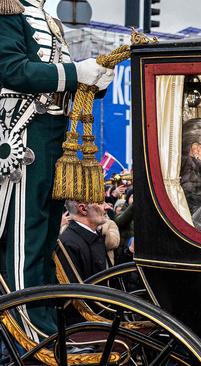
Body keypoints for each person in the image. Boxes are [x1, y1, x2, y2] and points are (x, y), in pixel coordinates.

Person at [0, 0, 113, 336]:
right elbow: (12, 69)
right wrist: (77, 73)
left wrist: (94, 80)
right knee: (27, 236)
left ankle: (45, 319)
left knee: (48, 236)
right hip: (25, 133)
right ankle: (26, 325)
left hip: (54, 135)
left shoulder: (49, 20)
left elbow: (60, 81)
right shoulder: (7, 10)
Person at [58, 201, 110, 281]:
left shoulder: (96, 235)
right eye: (100, 203)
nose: (107, 207)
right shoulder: (68, 243)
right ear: (83, 209)